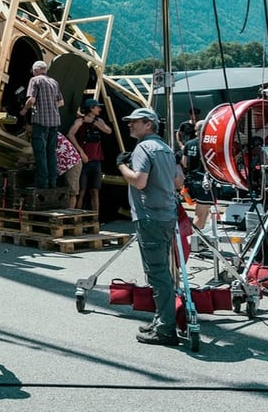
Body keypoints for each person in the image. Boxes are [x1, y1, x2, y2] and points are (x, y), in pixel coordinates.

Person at [116, 107, 183, 346]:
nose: (130, 125)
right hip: (166, 215)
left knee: (158, 274)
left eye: (134, 122)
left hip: (150, 217)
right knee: (161, 271)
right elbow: (178, 182)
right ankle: (161, 320)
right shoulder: (166, 149)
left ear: (148, 124)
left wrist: (122, 166)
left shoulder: (144, 148)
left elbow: (140, 181)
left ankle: (165, 328)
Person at [21, 60, 63, 190]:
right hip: (54, 122)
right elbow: (61, 102)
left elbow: (32, 99)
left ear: (36, 70)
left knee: (40, 153)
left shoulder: (35, 80)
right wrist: (50, 106)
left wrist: (24, 109)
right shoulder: (54, 82)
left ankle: (41, 183)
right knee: (51, 152)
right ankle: (52, 182)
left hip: (40, 122)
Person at [66, 98, 112, 214]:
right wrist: (81, 152)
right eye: (97, 107)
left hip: (96, 160)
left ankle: (95, 218)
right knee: (81, 191)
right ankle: (77, 217)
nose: (100, 109)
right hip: (85, 160)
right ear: (91, 108)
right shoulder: (80, 121)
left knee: (95, 191)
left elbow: (108, 131)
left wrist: (93, 122)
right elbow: (70, 134)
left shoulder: (98, 120)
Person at [179, 120, 212, 229]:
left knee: (204, 211)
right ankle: (192, 241)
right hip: (203, 182)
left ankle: (199, 240)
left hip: (191, 180)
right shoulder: (208, 144)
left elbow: (184, 163)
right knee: (201, 214)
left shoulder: (188, 144)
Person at [55, 132, 83, 209]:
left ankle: (70, 214)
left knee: (72, 192)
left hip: (72, 163)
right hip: (62, 165)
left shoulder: (53, 134)